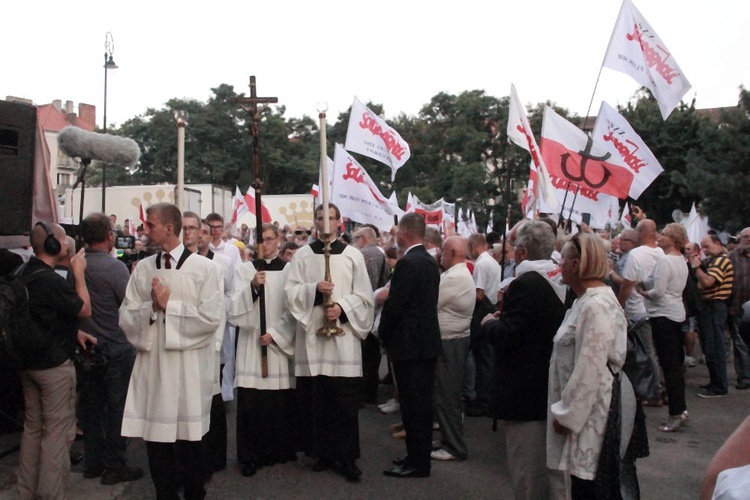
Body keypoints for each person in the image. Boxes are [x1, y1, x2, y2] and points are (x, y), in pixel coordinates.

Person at [119, 203, 224, 499]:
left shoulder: (207, 269)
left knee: (190, 439)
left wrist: (170, 306)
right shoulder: (142, 267)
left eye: (150, 224)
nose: (145, 230)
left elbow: (210, 319)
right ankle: (164, 494)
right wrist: (150, 308)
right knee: (156, 439)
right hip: (154, 365)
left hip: (188, 367)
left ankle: (194, 492)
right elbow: (126, 315)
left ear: (168, 227)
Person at [481, 221, 570, 500]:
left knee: (526, 469)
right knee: (549, 469)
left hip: (525, 387)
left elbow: (510, 334)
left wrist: (488, 324)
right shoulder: (559, 279)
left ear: (521, 253)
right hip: (550, 384)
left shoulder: (526, 283)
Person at [284, 203, 374, 482]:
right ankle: (322, 452)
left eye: (330, 218)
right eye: (320, 218)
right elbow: (290, 293)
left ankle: (346, 458)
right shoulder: (302, 255)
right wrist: (313, 291)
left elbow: (365, 296)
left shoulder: (352, 255)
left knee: (343, 403)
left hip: (342, 340)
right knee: (318, 401)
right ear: (315, 222)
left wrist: (343, 309)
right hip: (313, 339)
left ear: (339, 223)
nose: (325, 223)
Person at [547, 232, 631, 499]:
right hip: (584, 412)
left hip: (591, 414)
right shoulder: (584, 301)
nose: (560, 266)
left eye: (564, 260)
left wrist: (568, 414)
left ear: (577, 264)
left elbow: (590, 366)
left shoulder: (596, 305)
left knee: (589, 486)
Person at [17, 222, 92, 499]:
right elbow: (84, 308)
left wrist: (75, 333)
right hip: (53, 367)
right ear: (52, 244)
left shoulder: (22, 273)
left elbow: (44, 317)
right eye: (62, 239)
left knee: (33, 428)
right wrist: (79, 274)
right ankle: (50, 494)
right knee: (57, 434)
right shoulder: (50, 280)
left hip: (27, 363)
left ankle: (26, 490)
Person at [78, 213, 144, 485]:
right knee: (117, 409)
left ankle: (93, 462)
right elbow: (128, 304)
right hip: (115, 348)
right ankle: (114, 465)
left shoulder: (77, 266)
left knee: (90, 408)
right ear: (109, 235)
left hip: (86, 349)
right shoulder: (114, 268)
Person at [230, 223, 297, 477]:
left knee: (275, 404)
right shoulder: (245, 270)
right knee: (251, 405)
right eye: (262, 240)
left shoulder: (289, 270)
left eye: (270, 239)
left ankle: (275, 451)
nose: (266, 244)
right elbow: (234, 308)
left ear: (278, 241)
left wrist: (276, 334)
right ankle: (249, 456)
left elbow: (293, 309)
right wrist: (252, 287)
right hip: (251, 342)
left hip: (276, 344)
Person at [379, 213, 441, 479]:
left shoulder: (408, 263)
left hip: (409, 345)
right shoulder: (428, 260)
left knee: (414, 407)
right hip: (424, 344)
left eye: (397, 231)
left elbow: (396, 304)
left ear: (404, 232)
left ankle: (417, 461)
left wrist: (383, 332)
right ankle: (416, 455)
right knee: (420, 405)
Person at [184, 213, 231, 476]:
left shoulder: (220, 263)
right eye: (188, 229)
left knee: (212, 400)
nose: (196, 234)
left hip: (212, 339)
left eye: (198, 230)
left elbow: (229, 297)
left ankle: (214, 457)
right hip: (188, 340)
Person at [636, 223, 690, 431]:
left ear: (674, 240)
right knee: (675, 365)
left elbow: (657, 290)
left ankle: (676, 413)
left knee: (669, 367)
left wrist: (643, 293)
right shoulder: (679, 260)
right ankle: (681, 408)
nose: (659, 236)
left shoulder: (666, 260)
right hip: (676, 314)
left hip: (663, 315)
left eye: (665, 234)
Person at [431, 236, 475, 462]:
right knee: (445, 394)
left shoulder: (455, 277)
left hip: (451, 341)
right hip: (451, 339)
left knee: (448, 395)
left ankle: (454, 446)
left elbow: (430, 301)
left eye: (443, 251)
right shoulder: (456, 273)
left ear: (452, 253)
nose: (440, 254)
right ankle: (448, 439)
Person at [617, 219, 664, 405]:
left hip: (638, 310)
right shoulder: (661, 252)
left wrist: (618, 305)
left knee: (644, 354)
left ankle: (654, 392)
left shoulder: (635, 255)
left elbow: (627, 284)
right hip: (655, 308)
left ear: (642, 232)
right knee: (654, 352)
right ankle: (657, 388)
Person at [689, 234, 734, 398]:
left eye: (707, 246)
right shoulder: (715, 260)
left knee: (715, 347)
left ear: (717, 243)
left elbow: (708, 282)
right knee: (710, 347)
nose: (705, 251)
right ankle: (715, 382)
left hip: (714, 307)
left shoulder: (721, 260)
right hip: (710, 308)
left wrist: (696, 267)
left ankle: (719, 386)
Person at [205, 212, 241, 402]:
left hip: (226, 305)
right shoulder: (202, 250)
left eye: (218, 227)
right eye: (211, 227)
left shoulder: (232, 251)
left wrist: (232, 307)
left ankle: (226, 390)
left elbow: (237, 279)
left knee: (227, 351)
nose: (215, 231)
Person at [352, 226, 390, 405]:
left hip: (369, 310)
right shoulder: (377, 253)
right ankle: (368, 391)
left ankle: (366, 393)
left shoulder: (369, 255)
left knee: (367, 356)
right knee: (370, 356)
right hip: (372, 310)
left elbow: (371, 284)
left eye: (355, 239)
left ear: (363, 239)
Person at [465, 233, 502, 417]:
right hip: (492, 307)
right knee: (487, 356)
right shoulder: (493, 261)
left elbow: (478, 294)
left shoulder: (481, 263)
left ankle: (483, 399)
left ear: (473, 246)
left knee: (482, 357)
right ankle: (486, 396)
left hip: (482, 311)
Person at [728, 227, 750, 390]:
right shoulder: (733, 256)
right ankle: (744, 377)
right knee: (741, 343)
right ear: (739, 238)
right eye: (745, 237)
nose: (748, 240)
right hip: (738, 307)